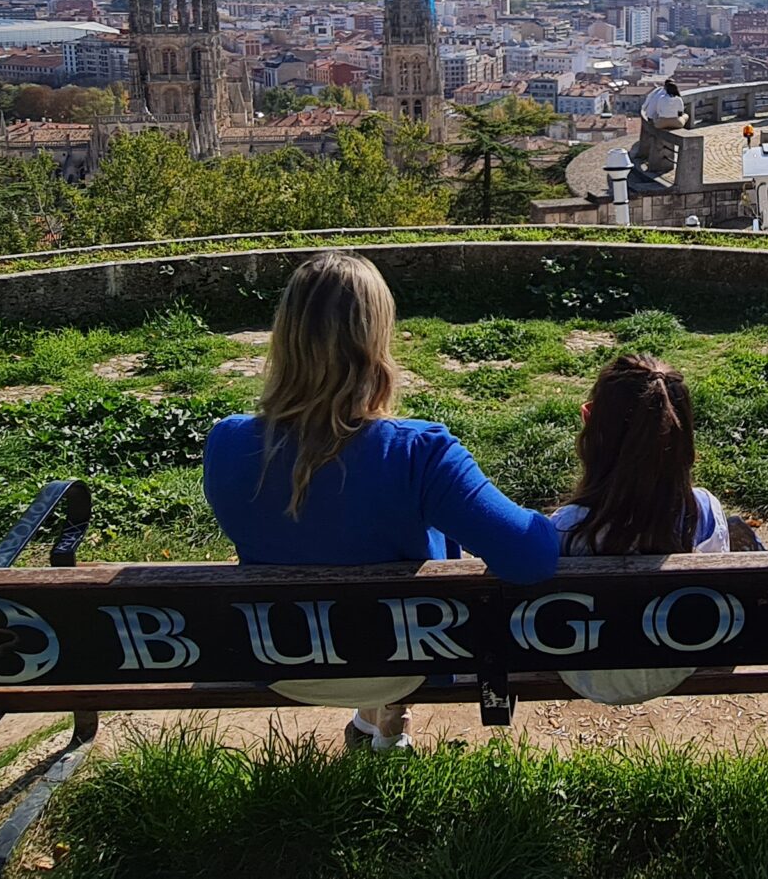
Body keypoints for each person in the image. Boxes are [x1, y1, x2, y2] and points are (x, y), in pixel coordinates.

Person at [201, 252, 559, 750]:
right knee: (419, 544)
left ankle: (377, 722)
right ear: (376, 341)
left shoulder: (227, 444)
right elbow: (532, 556)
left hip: (284, 663)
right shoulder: (420, 452)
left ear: (286, 337)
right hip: (405, 663)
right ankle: (388, 716)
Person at [549, 354, 735, 703]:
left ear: (592, 429)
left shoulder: (565, 528)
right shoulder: (705, 511)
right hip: (679, 661)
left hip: (586, 673)